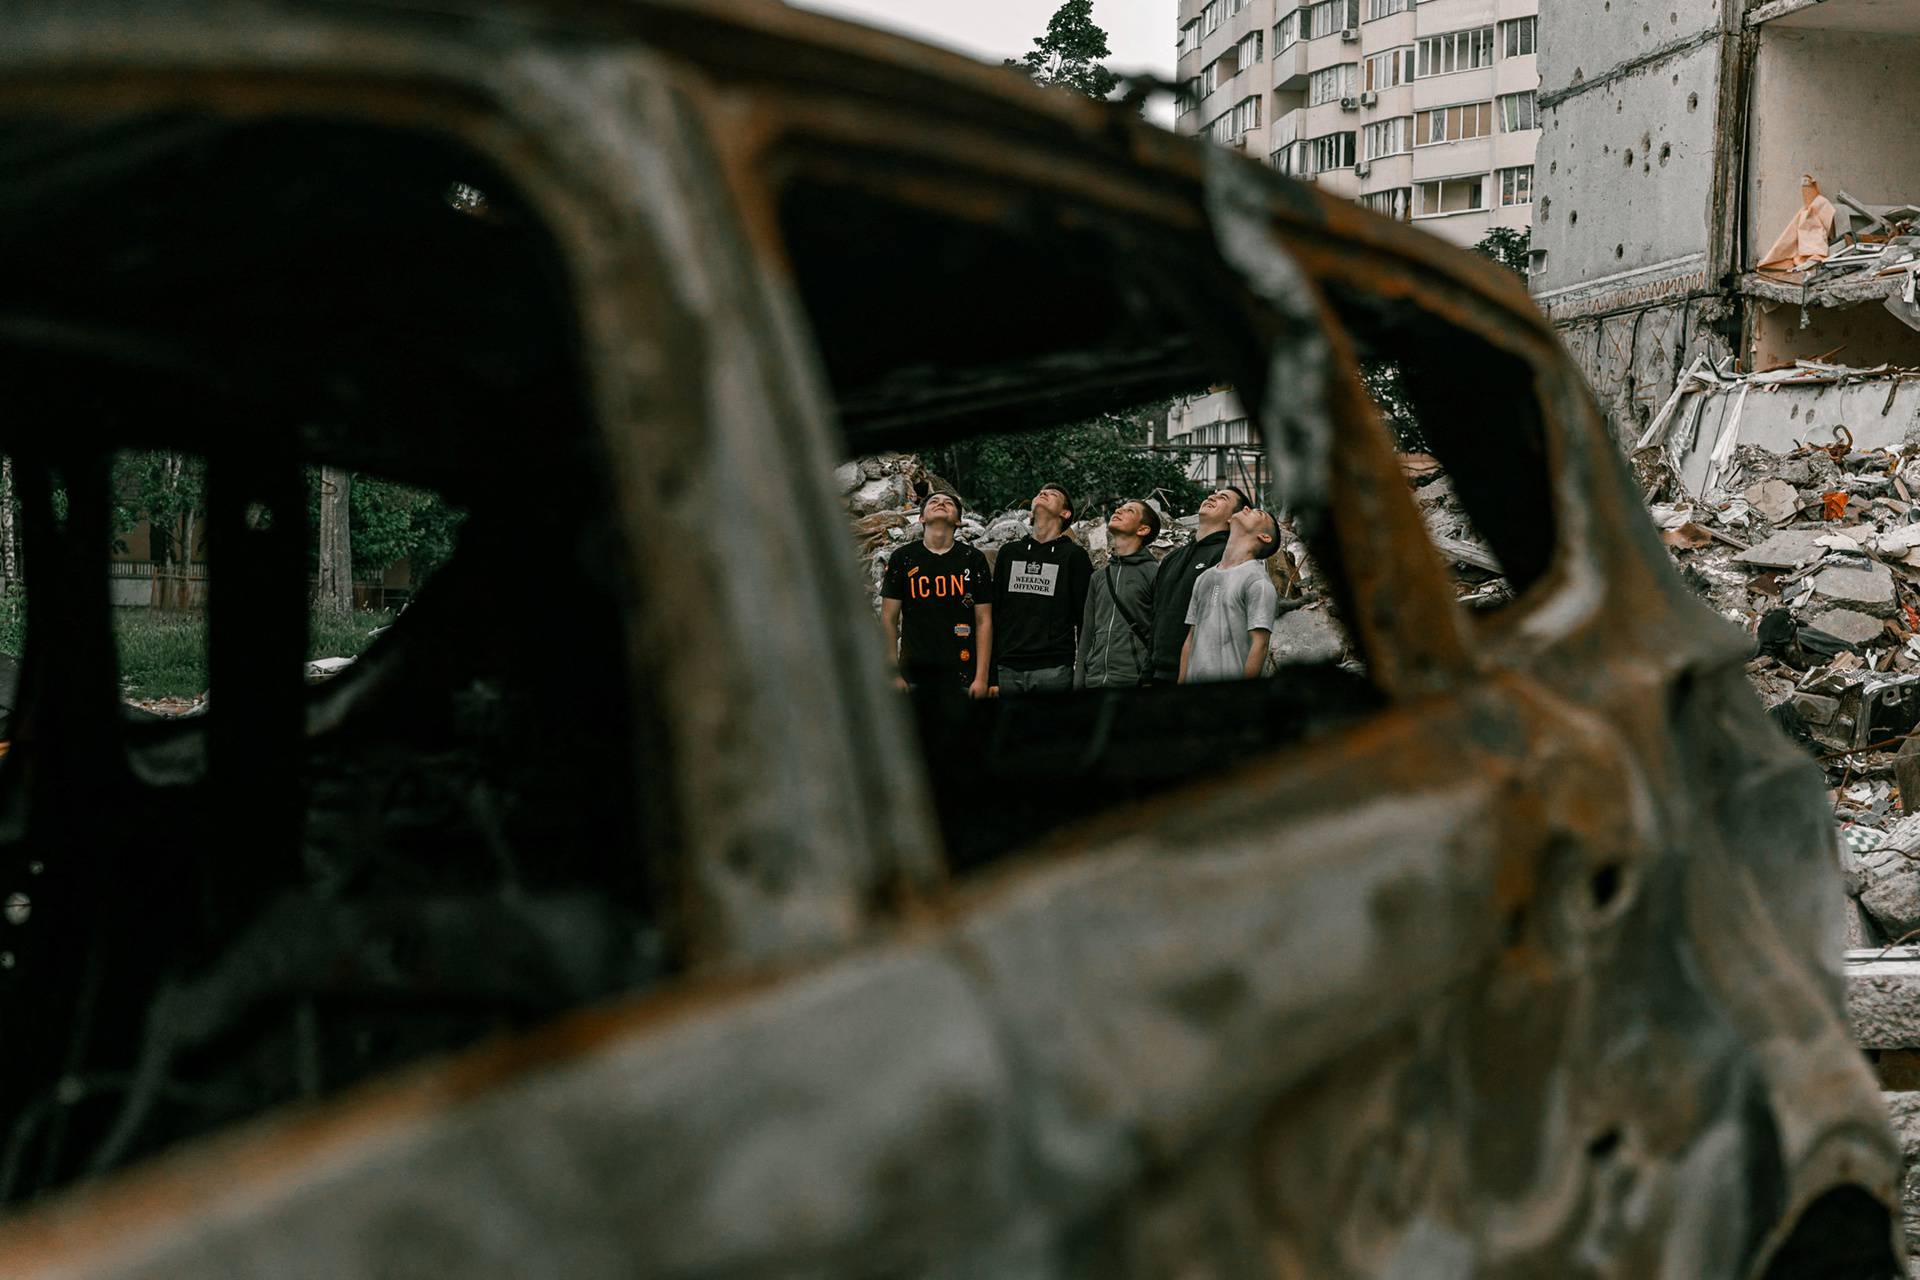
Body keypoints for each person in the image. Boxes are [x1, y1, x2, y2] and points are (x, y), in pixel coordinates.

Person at [879, 490, 993, 697]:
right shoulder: (903, 558)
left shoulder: (973, 559)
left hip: (962, 675)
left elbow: (984, 620)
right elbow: (888, 618)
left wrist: (982, 678)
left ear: (958, 521)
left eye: (948, 503)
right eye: (934, 501)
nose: (941, 503)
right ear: (921, 518)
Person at [990, 483, 1091, 694]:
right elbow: (995, 613)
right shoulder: (1009, 553)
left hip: (1053, 670)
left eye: (1052, 494)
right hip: (1007, 668)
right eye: (1039, 493)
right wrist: (991, 673)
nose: (1043, 493)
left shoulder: (1074, 556)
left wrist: (1082, 673)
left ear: (1065, 513)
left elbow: (1085, 619)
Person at [1149, 486, 1250, 685]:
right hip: (1158, 673)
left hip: (1198, 674)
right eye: (1213, 493)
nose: (1212, 496)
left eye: (1223, 498)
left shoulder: (1227, 558)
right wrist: (1147, 672)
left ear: (1234, 518)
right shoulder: (1172, 558)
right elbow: (1156, 614)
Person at [1179, 504, 1288, 684]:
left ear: (1264, 537)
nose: (1246, 507)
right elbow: (1190, 637)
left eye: (1258, 513)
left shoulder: (1257, 582)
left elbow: (1259, 645)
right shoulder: (1204, 577)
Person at [1076, 499, 1162, 689]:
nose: (1118, 511)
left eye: (1129, 510)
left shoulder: (1154, 573)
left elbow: (1160, 633)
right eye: (1119, 508)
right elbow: (1087, 634)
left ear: (1143, 530)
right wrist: (1079, 681)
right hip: (1094, 681)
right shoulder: (1098, 577)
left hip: (1133, 681)